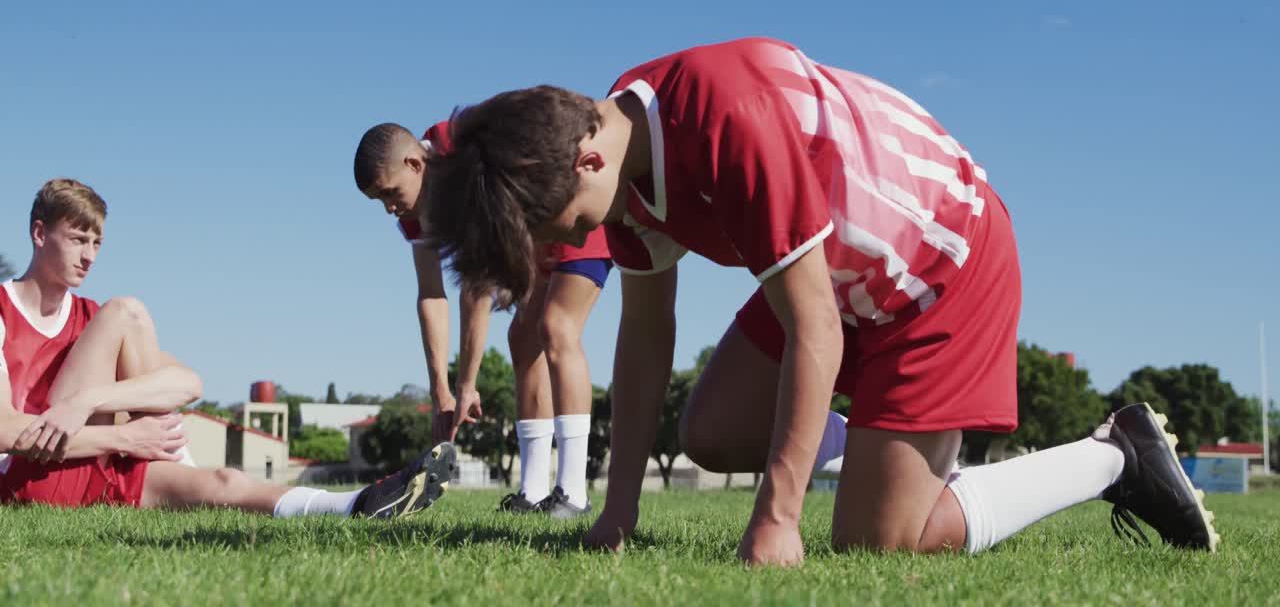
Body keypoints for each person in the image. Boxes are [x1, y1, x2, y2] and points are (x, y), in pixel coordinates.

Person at [420, 37, 1219, 565]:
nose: (557, 246)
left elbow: (813, 328)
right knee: (711, 431)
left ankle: (1116, 454)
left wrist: (777, 516)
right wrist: (616, 511)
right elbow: (646, 335)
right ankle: (886, 450)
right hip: (832, 277)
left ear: (585, 159)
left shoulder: (729, 117)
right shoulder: (620, 167)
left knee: (883, 541)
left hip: (939, 266)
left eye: (545, 227)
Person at [1, 178, 454, 518]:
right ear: (39, 234)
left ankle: (356, 504)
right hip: (33, 473)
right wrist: (122, 436)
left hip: (102, 459)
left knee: (224, 481)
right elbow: (3, 431)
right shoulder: (6, 309)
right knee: (126, 310)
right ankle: (177, 462)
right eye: (78, 240)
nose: (90, 256)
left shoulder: (90, 318)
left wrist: (90, 399)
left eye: (97, 243)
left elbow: (186, 383)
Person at [354, 120, 611, 517]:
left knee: (556, 328)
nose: (389, 207)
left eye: (390, 193)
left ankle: (574, 494)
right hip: (533, 233)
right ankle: (533, 492)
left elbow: (477, 288)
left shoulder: (461, 169)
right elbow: (432, 294)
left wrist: (467, 385)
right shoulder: (414, 210)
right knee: (523, 341)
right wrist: (441, 388)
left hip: (577, 208)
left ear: (414, 164)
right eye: (379, 201)